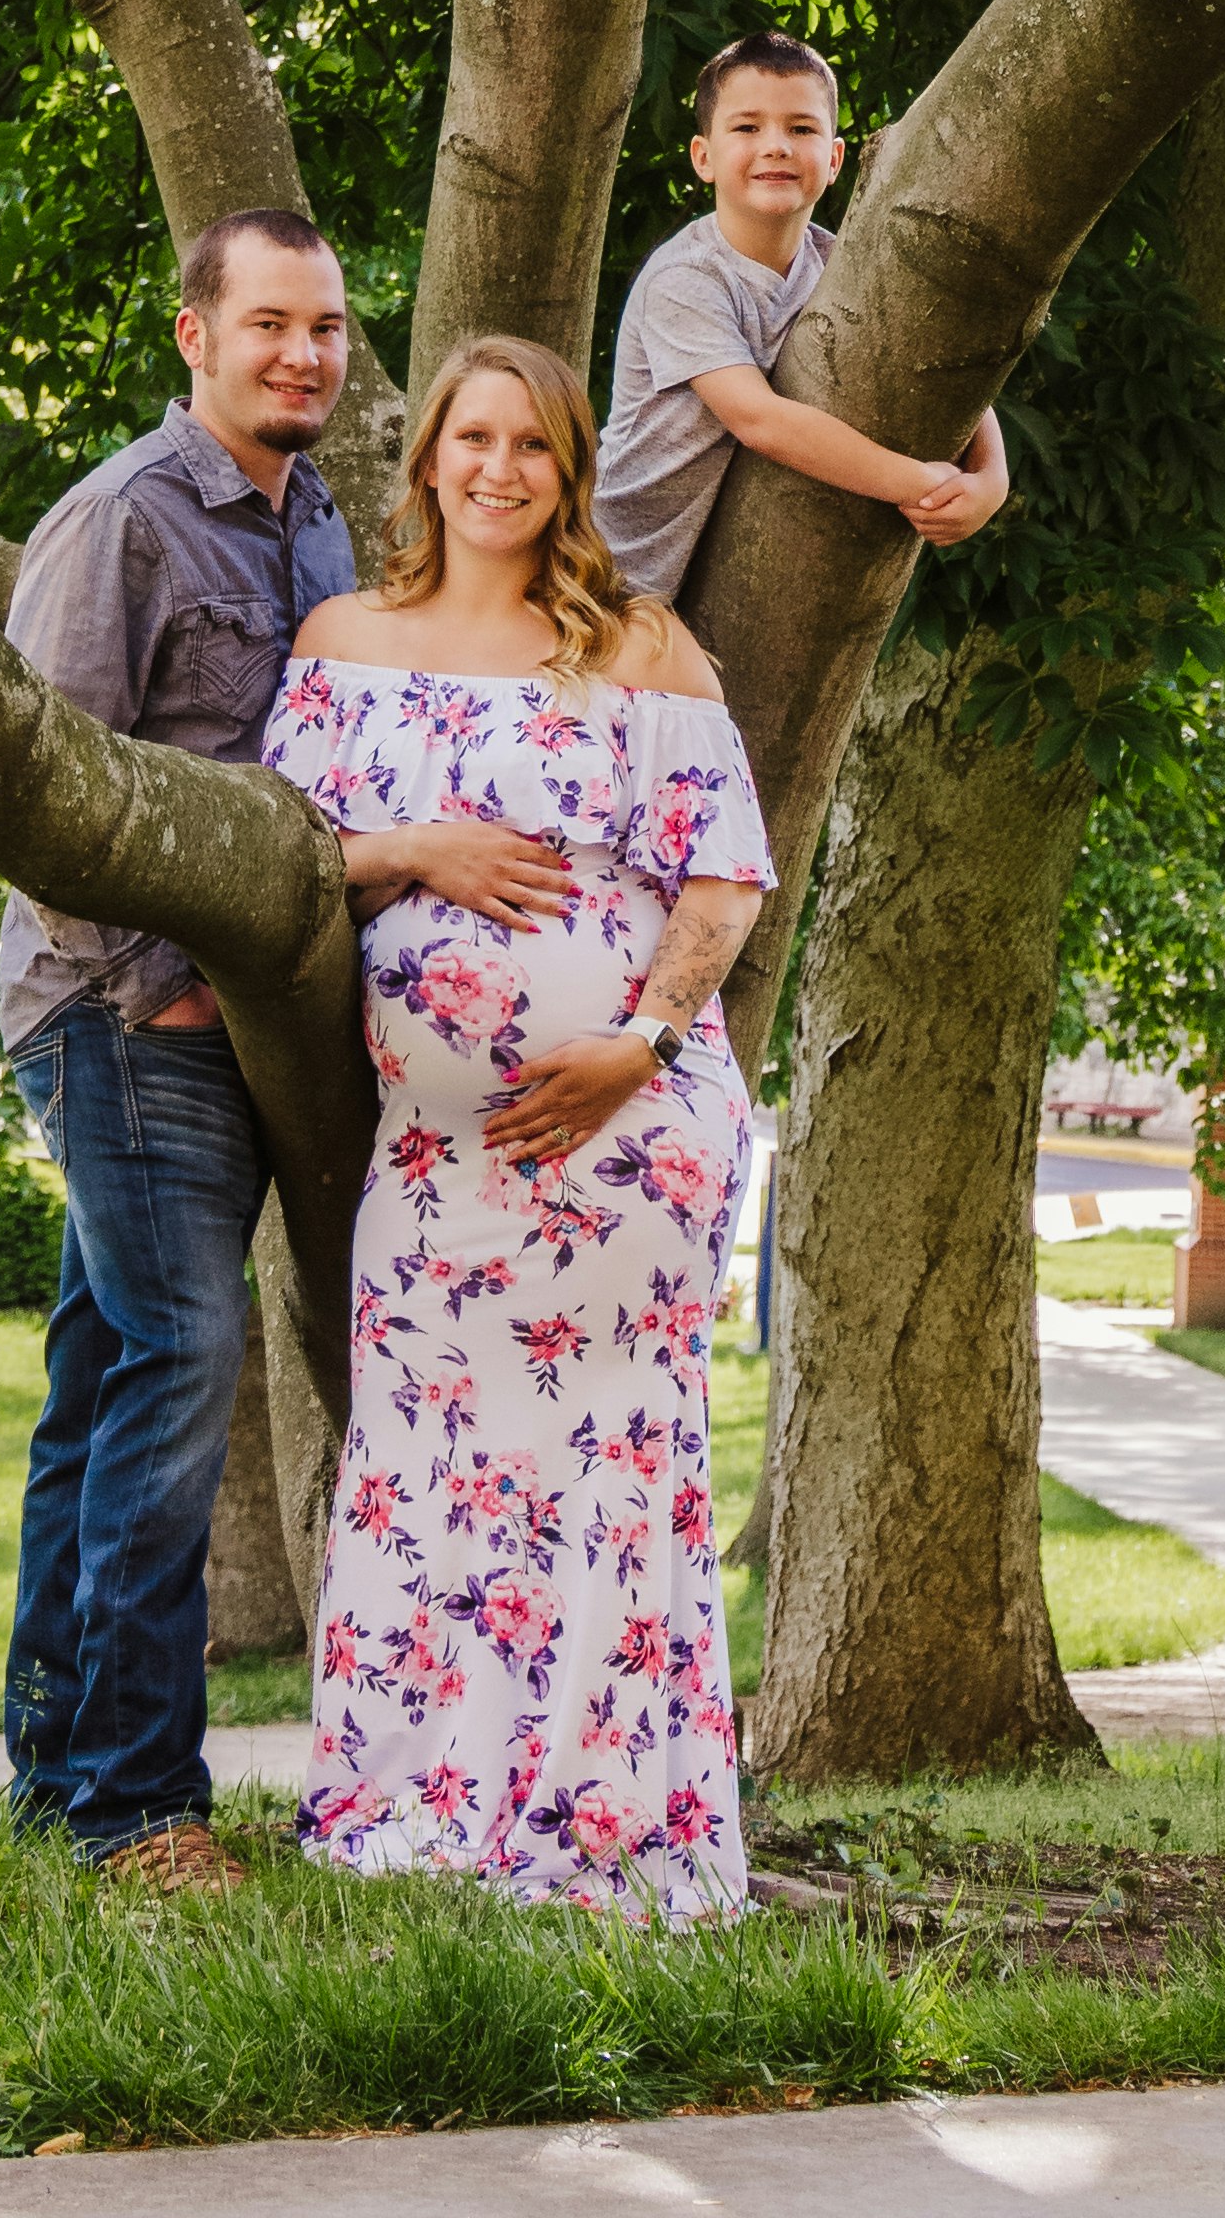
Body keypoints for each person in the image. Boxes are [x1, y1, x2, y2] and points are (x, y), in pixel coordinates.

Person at [263, 331, 775, 1921]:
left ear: (570, 473)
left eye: (532, 447)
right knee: (425, 1475)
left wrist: (636, 1040)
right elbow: (277, 858)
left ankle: (604, 1838)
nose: (498, 470)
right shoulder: (346, 637)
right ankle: (421, 1819)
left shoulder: (637, 649)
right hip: (431, 1164)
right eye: (471, 440)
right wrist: (421, 846)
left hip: (628, 1141)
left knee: (608, 1478)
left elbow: (725, 872)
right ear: (426, 459)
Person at [0, 207, 357, 1893]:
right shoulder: (125, 520)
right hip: (125, 1016)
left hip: (243, 1029)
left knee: (99, 1393)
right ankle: (142, 1810)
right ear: (194, 333)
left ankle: (56, 1775)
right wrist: (175, 979)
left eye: (331, 329)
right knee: (186, 1364)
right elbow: (36, 795)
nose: (306, 355)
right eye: (272, 324)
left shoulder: (327, 529)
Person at [591, 28, 1006, 610]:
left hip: (704, 573)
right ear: (703, 157)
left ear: (835, 159)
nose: (777, 146)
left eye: (802, 128)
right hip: (610, 565)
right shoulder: (685, 279)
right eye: (747, 127)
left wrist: (991, 479)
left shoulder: (836, 261)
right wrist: (924, 485)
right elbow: (759, 420)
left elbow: (932, 351)